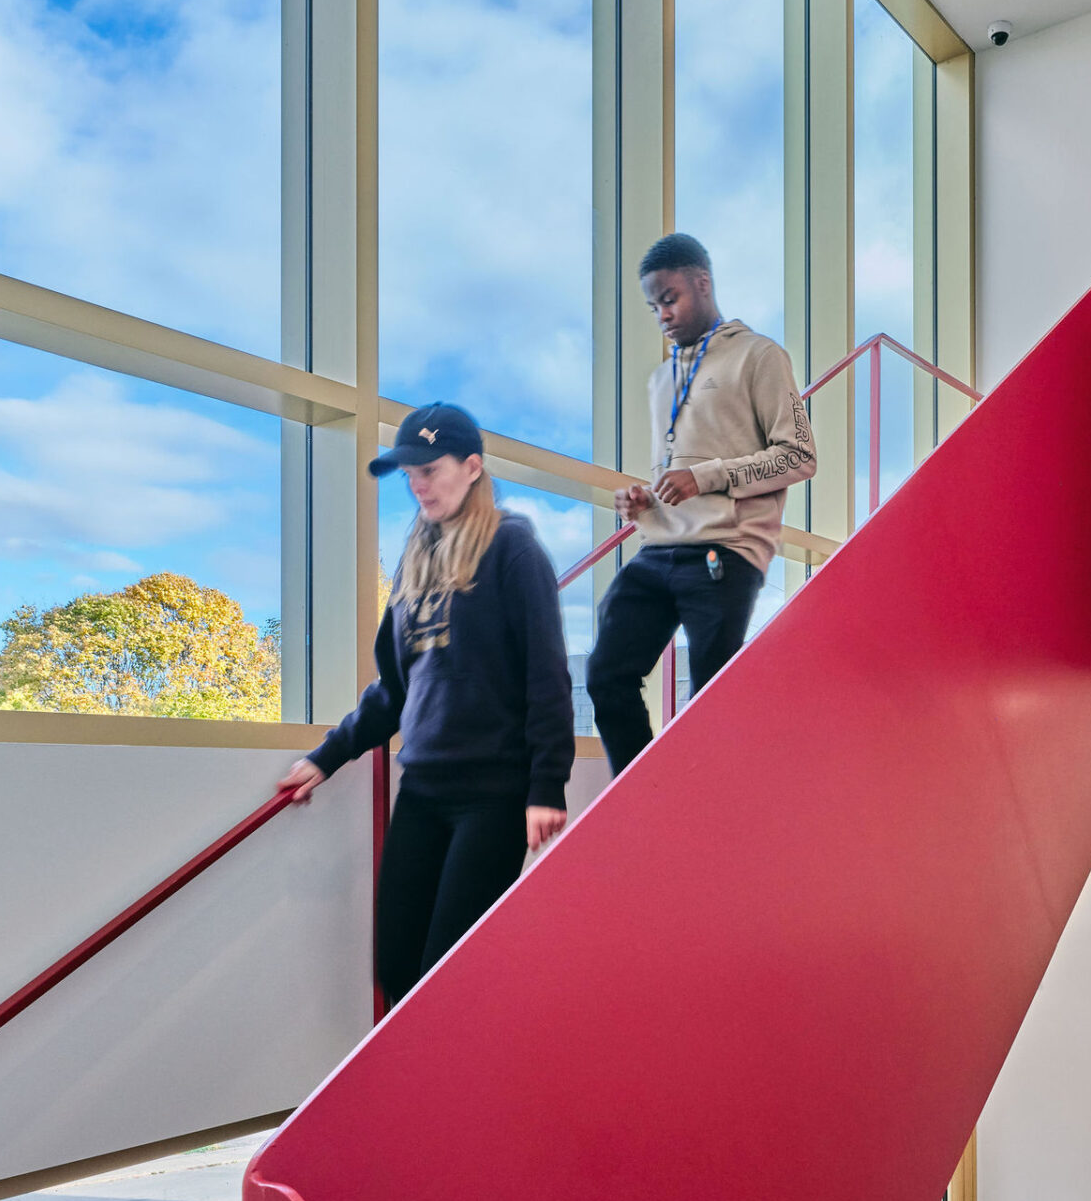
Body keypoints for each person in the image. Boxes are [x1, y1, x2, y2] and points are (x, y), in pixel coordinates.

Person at [278, 402, 574, 1008]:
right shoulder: (413, 568)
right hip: (424, 793)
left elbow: (548, 677)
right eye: (409, 474)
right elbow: (392, 692)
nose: (417, 485)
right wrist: (325, 759)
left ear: (472, 467)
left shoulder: (514, 551)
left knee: (445, 977)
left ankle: (461, 1096)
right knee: (395, 966)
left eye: (430, 470)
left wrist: (546, 785)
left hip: (493, 796)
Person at [587, 232, 816, 774]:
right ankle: (643, 796)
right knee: (604, 674)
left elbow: (799, 456)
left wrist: (706, 477)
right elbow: (674, 472)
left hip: (726, 550)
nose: (662, 314)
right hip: (659, 547)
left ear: (702, 283)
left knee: (711, 702)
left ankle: (711, 816)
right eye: (653, 306)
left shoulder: (759, 356)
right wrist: (644, 499)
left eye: (670, 298)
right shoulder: (661, 379)